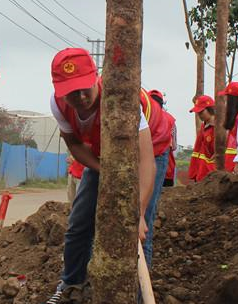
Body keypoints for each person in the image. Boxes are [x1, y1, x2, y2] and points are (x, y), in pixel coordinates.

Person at [43, 48, 155, 304]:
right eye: (72, 92)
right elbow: (74, 144)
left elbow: (147, 160)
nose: (80, 97)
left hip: (150, 148)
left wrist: (139, 212)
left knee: (138, 228)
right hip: (102, 154)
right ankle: (71, 285)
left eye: (85, 88)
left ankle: (137, 297)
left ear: (96, 78)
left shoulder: (123, 99)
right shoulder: (58, 104)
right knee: (79, 223)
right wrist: (106, 171)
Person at [141, 88, 176, 268]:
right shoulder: (166, 117)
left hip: (155, 154)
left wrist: (139, 211)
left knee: (144, 224)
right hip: (154, 157)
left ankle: (139, 294)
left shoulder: (163, 120)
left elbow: (149, 163)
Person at [187, 95, 217, 183]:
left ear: (210, 109)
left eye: (201, 112)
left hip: (211, 174)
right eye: (197, 112)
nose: (199, 115)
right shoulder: (204, 127)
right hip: (201, 172)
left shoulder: (219, 128)